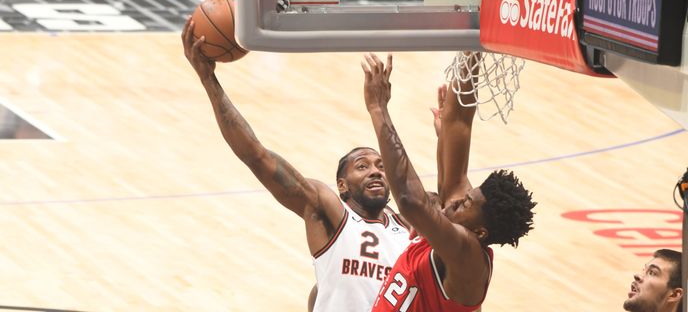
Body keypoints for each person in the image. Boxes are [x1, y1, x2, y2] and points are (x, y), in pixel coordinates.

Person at [182, 21, 411, 312]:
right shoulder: (328, 210)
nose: (376, 170)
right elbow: (256, 156)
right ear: (342, 185)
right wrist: (208, 81)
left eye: (380, 165)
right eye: (362, 166)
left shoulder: (409, 226)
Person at [361, 52, 536, 311]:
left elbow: (411, 201)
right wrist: (470, 49)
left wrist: (378, 108)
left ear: (480, 233)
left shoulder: (467, 256)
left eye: (466, 204)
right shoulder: (465, 224)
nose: (455, 203)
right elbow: (458, 122)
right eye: (466, 197)